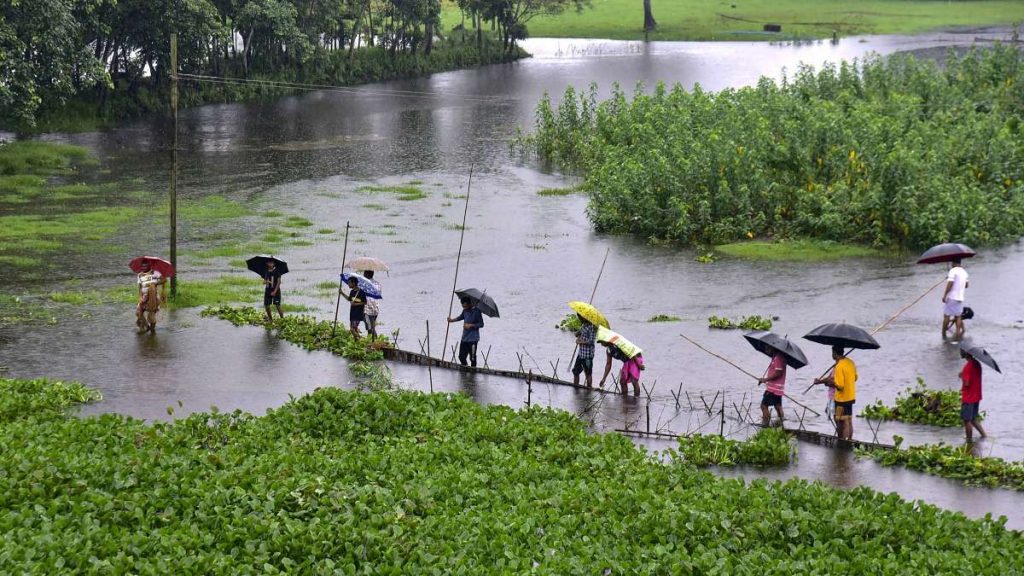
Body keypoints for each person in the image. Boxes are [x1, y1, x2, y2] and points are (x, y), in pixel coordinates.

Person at [814, 345, 857, 440]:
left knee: (842, 421)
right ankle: (849, 440)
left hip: (841, 399)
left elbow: (840, 385)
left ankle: (843, 443)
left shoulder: (839, 366)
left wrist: (830, 383)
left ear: (834, 353)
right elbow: (855, 378)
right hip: (851, 397)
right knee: (849, 420)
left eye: (832, 352)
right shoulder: (850, 362)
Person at [596, 326, 644, 396]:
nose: (601, 344)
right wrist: (604, 378)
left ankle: (636, 399)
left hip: (635, 357)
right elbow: (608, 364)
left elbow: (629, 351)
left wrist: (638, 365)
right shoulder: (609, 350)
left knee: (634, 381)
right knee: (622, 381)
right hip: (627, 361)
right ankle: (625, 398)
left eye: (602, 342)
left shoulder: (617, 343)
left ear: (606, 340)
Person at [959, 347, 987, 442]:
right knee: (973, 418)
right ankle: (984, 435)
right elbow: (974, 376)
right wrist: (963, 374)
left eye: (961, 351)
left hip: (969, 397)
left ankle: (969, 440)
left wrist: (962, 377)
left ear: (966, 354)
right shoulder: (977, 364)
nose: (960, 352)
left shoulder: (967, 366)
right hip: (977, 395)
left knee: (967, 420)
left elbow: (967, 383)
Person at [448, 296, 484, 367]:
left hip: (473, 339)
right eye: (463, 306)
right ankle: (466, 370)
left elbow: (481, 324)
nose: (464, 308)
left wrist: (470, 325)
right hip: (464, 338)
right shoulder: (465, 311)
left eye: (465, 306)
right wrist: (452, 320)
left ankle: (472, 374)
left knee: (472, 358)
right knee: (461, 357)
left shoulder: (477, 311)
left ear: (470, 304)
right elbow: (461, 317)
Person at [941, 258, 969, 340]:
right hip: (960, 298)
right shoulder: (964, 272)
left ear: (953, 263)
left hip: (952, 297)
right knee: (958, 316)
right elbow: (966, 285)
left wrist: (945, 295)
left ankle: (943, 334)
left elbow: (950, 283)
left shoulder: (952, 271)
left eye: (951, 263)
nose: (950, 265)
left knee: (946, 315)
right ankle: (957, 333)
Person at [757, 351, 786, 426]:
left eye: (768, 347)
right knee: (777, 406)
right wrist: (764, 379)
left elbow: (778, 372)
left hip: (773, 388)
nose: (766, 349)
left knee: (763, 406)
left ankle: (765, 425)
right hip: (777, 388)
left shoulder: (778, 358)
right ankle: (780, 425)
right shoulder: (777, 357)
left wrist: (765, 379)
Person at [136, 260, 165, 333]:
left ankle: (152, 331)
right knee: (138, 312)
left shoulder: (155, 273)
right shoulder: (140, 275)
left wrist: (155, 283)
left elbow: (164, 279)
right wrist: (140, 297)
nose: (143, 267)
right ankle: (147, 327)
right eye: (142, 266)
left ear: (149, 265)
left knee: (151, 315)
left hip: (153, 297)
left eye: (145, 266)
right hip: (144, 296)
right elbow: (140, 287)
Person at [571, 315, 597, 388]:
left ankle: (589, 389)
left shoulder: (592, 328)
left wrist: (581, 342)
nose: (579, 319)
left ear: (584, 317)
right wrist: (577, 334)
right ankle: (575, 388)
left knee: (588, 373)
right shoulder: (584, 325)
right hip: (581, 354)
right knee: (575, 372)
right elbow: (579, 333)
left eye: (580, 317)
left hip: (588, 355)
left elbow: (591, 341)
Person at [362, 270, 380, 340]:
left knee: (370, 329)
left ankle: (372, 343)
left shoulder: (365, 284)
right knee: (372, 327)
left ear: (367, 274)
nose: (363, 275)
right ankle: (374, 342)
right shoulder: (377, 284)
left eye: (364, 274)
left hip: (367, 310)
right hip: (375, 309)